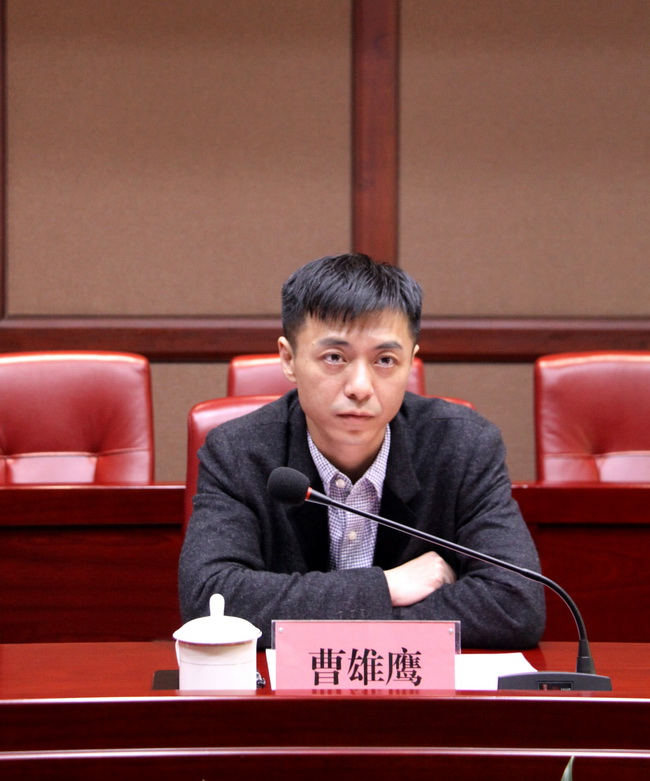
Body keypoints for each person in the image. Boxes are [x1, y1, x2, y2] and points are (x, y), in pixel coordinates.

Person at [179, 253, 545, 649]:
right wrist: (385, 587)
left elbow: (516, 604)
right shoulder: (238, 452)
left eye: (385, 360)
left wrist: (338, 619)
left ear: (410, 362)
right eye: (334, 358)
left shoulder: (462, 447)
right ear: (289, 359)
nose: (360, 387)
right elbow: (210, 600)